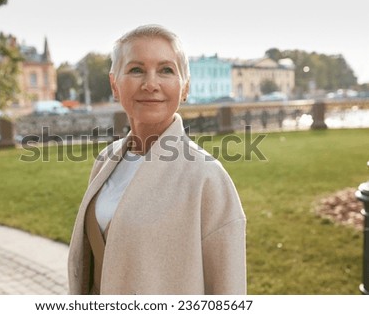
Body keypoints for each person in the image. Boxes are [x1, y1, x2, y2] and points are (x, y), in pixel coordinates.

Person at [67, 24, 246, 295]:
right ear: (115, 85)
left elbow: (229, 291)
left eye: (166, 70)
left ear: (185, 87)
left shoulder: (207, 178)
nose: (151, 84)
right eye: (136, 69)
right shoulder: (106, 161)